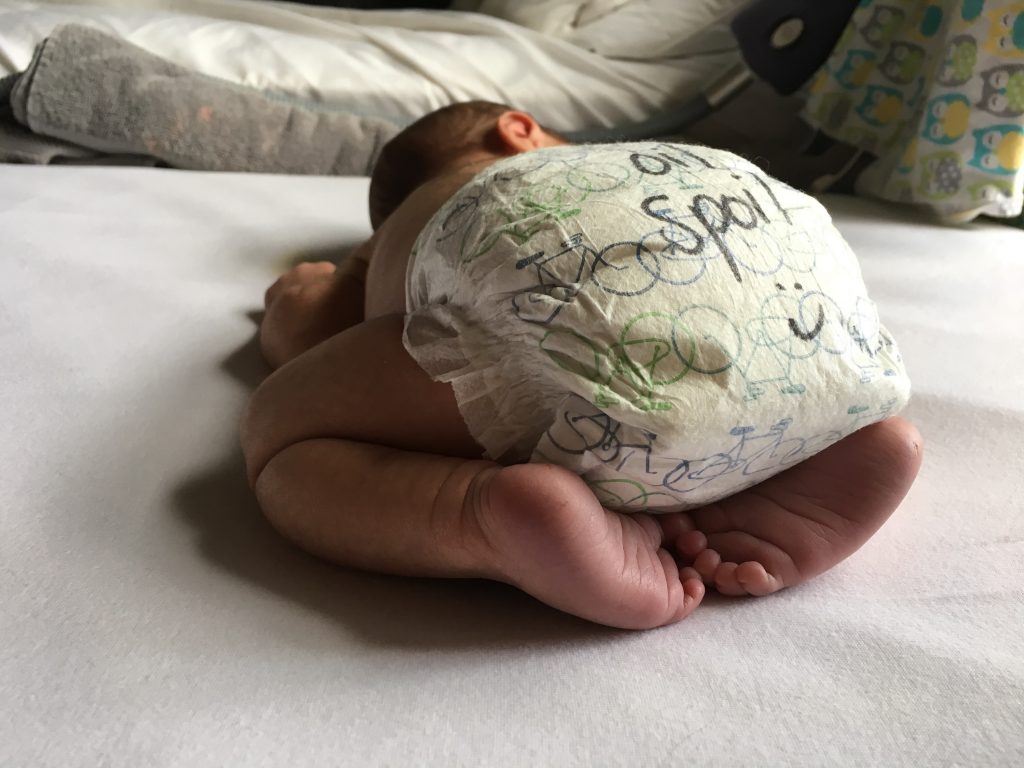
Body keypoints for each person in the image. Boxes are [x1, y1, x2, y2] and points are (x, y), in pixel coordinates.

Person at [240, 101, 923, 630]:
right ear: (522, 128)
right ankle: (847, 435)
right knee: (750, 374)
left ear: (515, 131)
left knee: (280, 431)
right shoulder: (653, 160)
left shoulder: (435, 207)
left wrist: (300, 299)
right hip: (791, 285)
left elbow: (313, 337)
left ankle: (478, 513)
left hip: (537, 288)